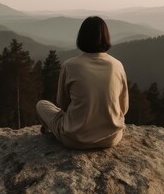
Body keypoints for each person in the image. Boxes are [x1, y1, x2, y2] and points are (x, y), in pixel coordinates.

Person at [36, 16, 129, 149]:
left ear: (82, 37)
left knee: (41, 105)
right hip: (111, 139)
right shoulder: (117, 65)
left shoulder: (70, 65)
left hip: (75, 139)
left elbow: (63, 104)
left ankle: (52, 130)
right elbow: (123, 109)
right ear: (106, 37)